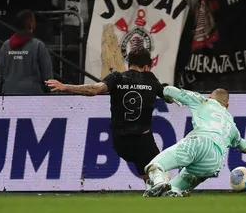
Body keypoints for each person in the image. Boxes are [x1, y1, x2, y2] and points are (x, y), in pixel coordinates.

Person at [45, 48, 173, 188]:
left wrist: (65, 87)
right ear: (147, 67)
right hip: (142, 140)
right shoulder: (151, 79)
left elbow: (94, 89)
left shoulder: (116, 77)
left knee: (146, 173)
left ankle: (151, 187)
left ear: (129, 64)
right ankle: (159, 189)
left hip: (120, 142)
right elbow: (168, 98)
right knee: (160, 174)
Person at [143, 86, 246, 197]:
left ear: (210, 97)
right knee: (174, 188)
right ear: (227, 105)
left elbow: (169, 90)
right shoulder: (232, 126)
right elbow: (242, 145)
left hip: (199, 142)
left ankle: (158, 182)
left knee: (155, 165)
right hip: (214, 161)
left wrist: (167, 94)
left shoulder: (203, 101)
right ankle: (174, 191)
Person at [0, 10, 53, 94]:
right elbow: (47, 76)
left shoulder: (5, 45)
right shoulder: (38, 46)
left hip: (9, 92)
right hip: (32, 94)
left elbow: (0, 74)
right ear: (31, 24)